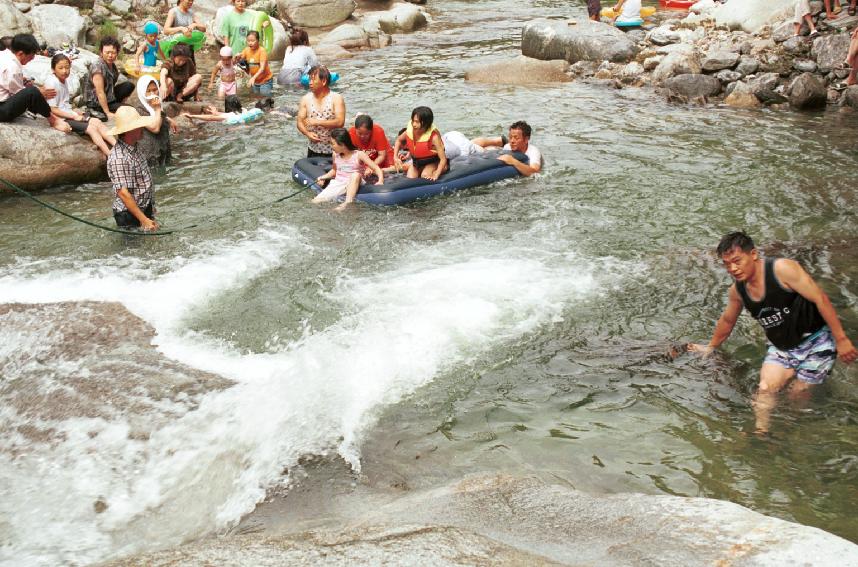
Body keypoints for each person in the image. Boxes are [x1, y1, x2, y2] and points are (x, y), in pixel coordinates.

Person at [688, 232, 858, 434]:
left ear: (753, 254)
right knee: (766, 389)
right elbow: (727, 320)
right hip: (781, 347)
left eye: (737, 261)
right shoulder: (738, 291)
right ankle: (762, 434)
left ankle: (789, 430)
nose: (732, 268)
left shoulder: (782, 270)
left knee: (798, 394)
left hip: (817, 341)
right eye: (727, 264)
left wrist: (841, 339)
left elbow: (820, 299)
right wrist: (711, 347)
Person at [45, 54, 115, 156]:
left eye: (67, 67)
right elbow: (52, 109)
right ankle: (110, 154)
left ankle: (117, 146)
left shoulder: (63, 80)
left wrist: (74, 110)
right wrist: (74, 116)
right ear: (53, 69)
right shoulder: (52, 83)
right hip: (61, 118)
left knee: (97, 121)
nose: (64, 71)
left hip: (69, 113)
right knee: (92, 128)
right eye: (60, 68)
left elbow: (64, 103)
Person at [107, 105, 160, 231]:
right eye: (139, 126)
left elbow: (143, 181)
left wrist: (151, 208)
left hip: (142, 208)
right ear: (130, 130)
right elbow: (123, 194)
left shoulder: (134, 148)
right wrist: (144, 219)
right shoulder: (119, 158)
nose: (142, 128)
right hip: (128, 215)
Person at [312, 127, 384, 211]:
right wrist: (323, 177)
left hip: (354, 181)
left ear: (342, 145)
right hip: (339, 183)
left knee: (355, 175)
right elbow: (334, 171)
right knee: (315, 201)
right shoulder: (335, 155)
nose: (331, 146)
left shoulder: (359, 154)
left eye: (332, 143)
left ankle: (347, 202)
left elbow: (376, 168)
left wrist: (380, 180)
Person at [0, 33, 57, 125]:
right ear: (21, 53)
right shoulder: (13, 67)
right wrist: (40, 92)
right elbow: (19, 93)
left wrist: (21, 80)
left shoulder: (3, 53)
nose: (33, 58)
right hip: (1, 110)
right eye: (31, 55)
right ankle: (53, 120)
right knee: (32, 92)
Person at [296, 65, 345, 157]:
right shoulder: (305, 99)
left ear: (323, 81)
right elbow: (299, 122)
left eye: (313, 80)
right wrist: (307, 133)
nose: (310, 83)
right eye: (309, 79)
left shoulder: (336, 98)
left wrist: (316, 122)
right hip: (313, 149)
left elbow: (340, 122)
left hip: (334, 150)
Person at [84, 36, 134, 121]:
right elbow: (100, 92)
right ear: (101, 52)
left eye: (113, 52)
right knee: (131, 110)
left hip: (109, 95)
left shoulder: (112, 65)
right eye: (107, 53)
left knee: (129, 85)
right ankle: (102, 110)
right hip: (96, 102)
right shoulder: (97, 68)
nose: (110, 55)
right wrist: (108, 113)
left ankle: (116, 105)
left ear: (117, 53)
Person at [393, 106, 447, 181]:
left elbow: (443, 159)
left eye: (417, 122)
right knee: (410, 178)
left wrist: (436, 173)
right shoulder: (409, 131)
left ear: (426, 123)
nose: (414, 124)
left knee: (425, 175)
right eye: (413, 121)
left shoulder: (434, 137)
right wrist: (395, 157)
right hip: (416, 163)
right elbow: (398, 140)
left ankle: (443, 169)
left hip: (433, 162)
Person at [181, 94, 265, 124]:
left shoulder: (228, 116)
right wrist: (215, 112)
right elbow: (219, 115)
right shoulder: (244, 110)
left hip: (234, 130)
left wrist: (192, 116)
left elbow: (210, 118)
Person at [238, 30, 272, 96]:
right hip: (255, 81)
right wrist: (237, 57)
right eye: (248, 41)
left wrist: (253, 78)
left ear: (258, 41)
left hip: (265, 81)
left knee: (265, 98)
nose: (250, 43)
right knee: (256, 98)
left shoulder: (262, 51)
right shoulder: (246, 50)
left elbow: (262, 69)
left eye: (253, 41)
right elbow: (238, 61)